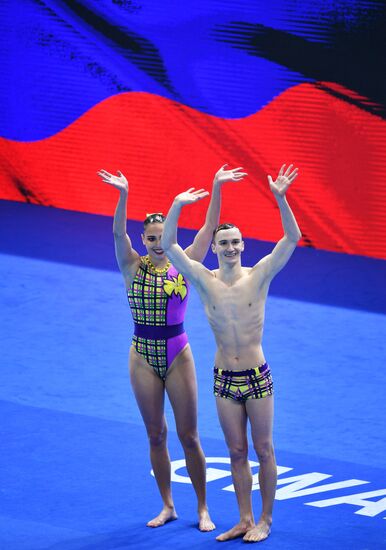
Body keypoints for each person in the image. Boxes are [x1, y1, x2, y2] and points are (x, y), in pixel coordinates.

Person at [97, 165, 247, 531]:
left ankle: (202, 508)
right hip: (142, 356)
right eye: (151, 238)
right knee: (155, 434)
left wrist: (215, 186)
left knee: (189, 435)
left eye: (163, 236)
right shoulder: (131, 266)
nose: (158, 243)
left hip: (178, 352)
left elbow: (209, 230)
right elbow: (118, 232)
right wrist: (123, 194)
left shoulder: (184, 263)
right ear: (144, 240)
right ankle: (167, 505)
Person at [161, 164, 301, 542]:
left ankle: (265, 520)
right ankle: (243, 518)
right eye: (224, 243)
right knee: (236, 451)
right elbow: (171, 245)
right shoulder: (203, 281)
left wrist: (280, 197)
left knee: (264, 448)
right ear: (216, 248)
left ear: (243, 245)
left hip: (257, 377)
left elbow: (292, 237)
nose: (230, 248)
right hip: (224, 380)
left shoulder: (259, 274)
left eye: (236, 242)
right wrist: (176, 203)